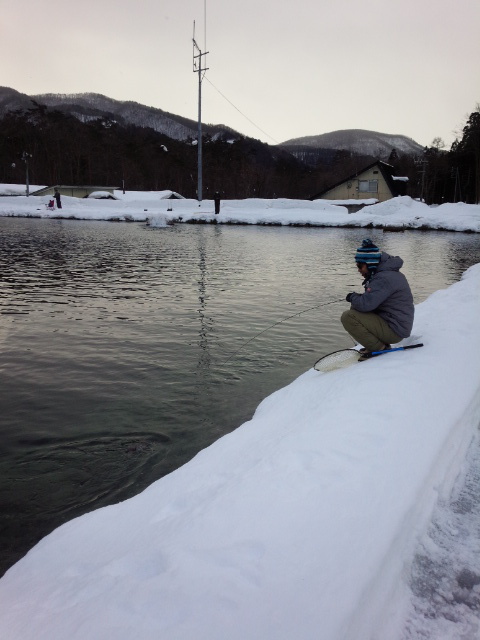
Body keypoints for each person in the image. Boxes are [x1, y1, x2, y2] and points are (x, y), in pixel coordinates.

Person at [341, 238, 414, 357]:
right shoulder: (384, 274)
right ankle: (376, 344)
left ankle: (379, 348)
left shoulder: (383, 278)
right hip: (395, 324)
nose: (359, 270)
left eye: (360, 266)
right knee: (355, 310)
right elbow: (371, 301)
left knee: (348, 317)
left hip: (395, 330)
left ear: (370, 264)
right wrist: (358, 298)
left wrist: (352, 297)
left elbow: (365, 305)